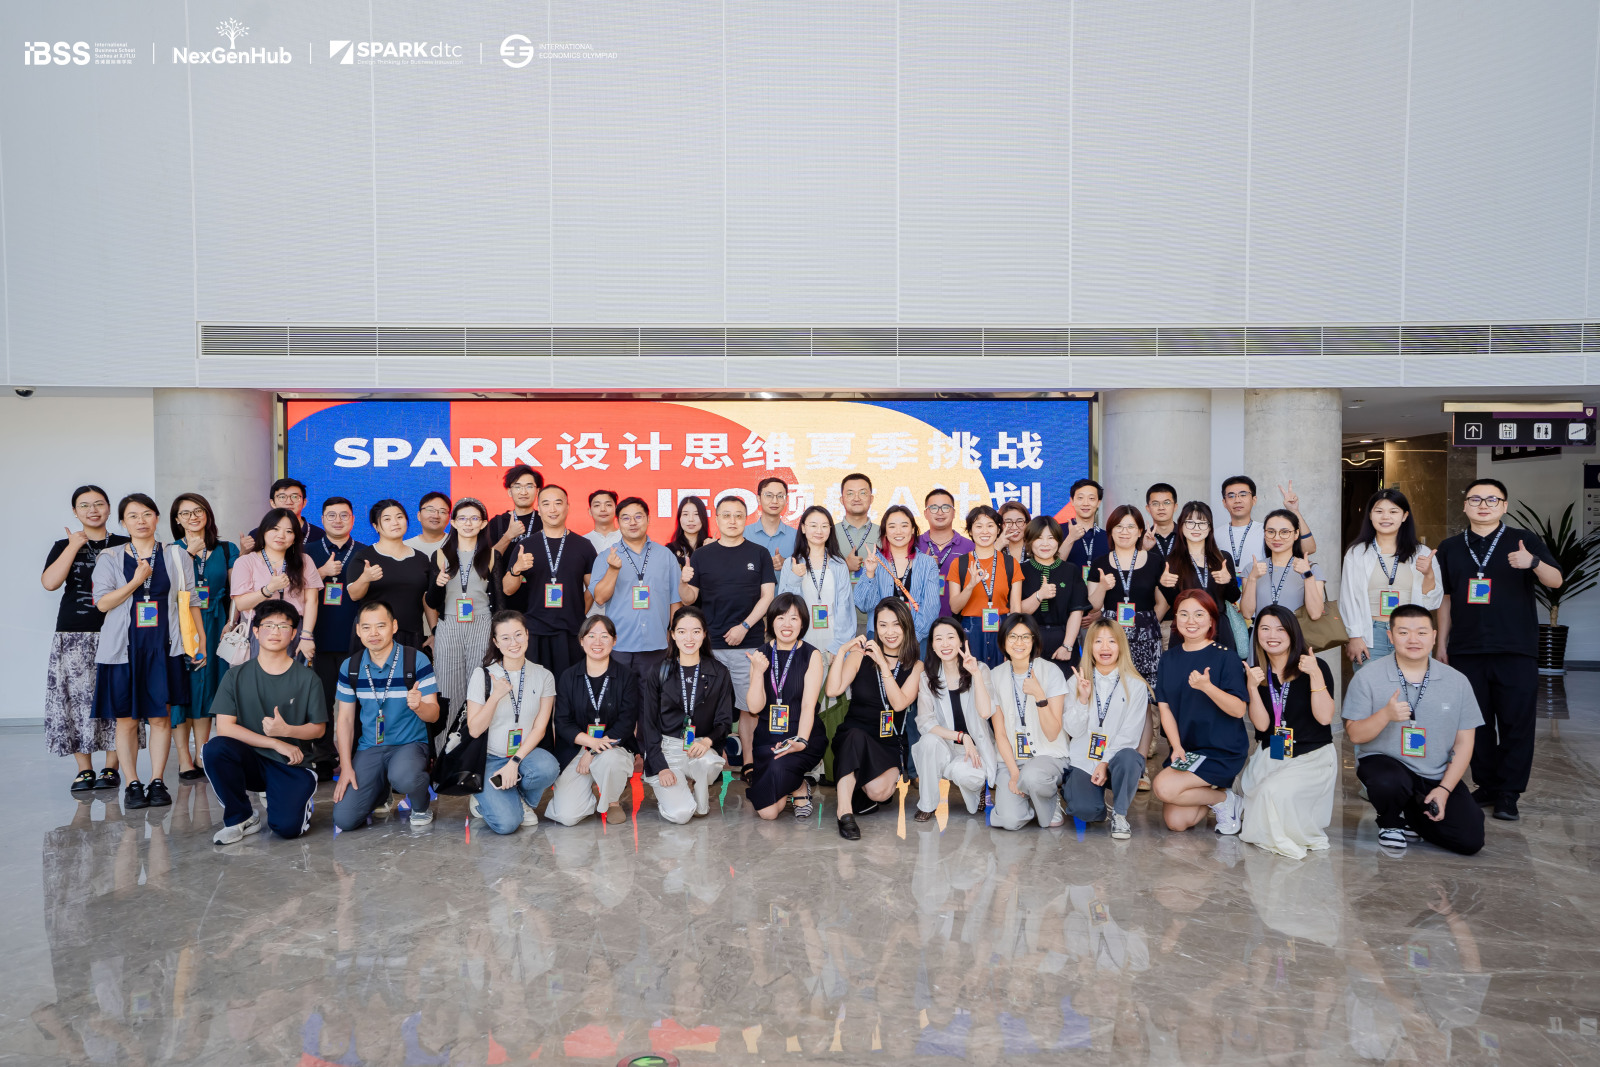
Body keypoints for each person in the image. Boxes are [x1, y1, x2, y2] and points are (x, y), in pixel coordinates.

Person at [1433, 479, 1562, 822]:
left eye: (1492, 499)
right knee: (1475, 723)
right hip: (1466, 649)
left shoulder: (1524, 540)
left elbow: (1556, 581)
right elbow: (1445, 599)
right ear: (1465, 505)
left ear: (1504, 506)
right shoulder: (1450, 547)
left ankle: (1509, 793)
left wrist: (1533, 562)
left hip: (1515, 648)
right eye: (1475, 499)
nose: (1483, 505)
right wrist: (1441, 644)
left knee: (1516, 722)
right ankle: (1487, 785)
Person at [91, 493, 205, 811]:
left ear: (156, 518)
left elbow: (191, 600)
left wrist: (200, 642)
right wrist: (136, 581)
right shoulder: (110, 558)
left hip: (163, 647)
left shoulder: (176, 555)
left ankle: (156, 781)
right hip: (122, 649)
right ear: (123, 522)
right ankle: (132, 783)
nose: (141, 521)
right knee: (126, 721)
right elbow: (103, 603)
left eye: (147, 514)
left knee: (160, 717)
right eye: (133, 516)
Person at [1345, 605, 1485, 854]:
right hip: (1387, 766)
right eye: (1403, 633)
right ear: (1390, 636)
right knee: (1387, 782)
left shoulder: (1457, 681)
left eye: (1421, 633)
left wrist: (1444, 790)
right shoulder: (1368, 676)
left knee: (1470, 839)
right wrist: (1385, 715)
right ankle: (1390, 822)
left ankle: (1412, 816)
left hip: (1434, 773)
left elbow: (1465, 742)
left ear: (1434, 636)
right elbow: (1355, 734)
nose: (1413, 640)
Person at [202, 599, 329, 843]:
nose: (275, 632)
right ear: (256, 631)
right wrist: (275, 742)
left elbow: (318, 729)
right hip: (252, 760)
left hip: (292, 763)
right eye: (268, 625)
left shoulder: (308, 678)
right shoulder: (236, 675)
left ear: (294, 633)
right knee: (215, 749)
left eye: (283, 626)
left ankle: (295, 798)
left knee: (287, 829)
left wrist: (287, 731)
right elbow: (225, 727)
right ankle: (241, 817)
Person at [42, 485, 128, 791]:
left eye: (99, 504)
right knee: (77, 702)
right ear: (75, 512)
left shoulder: (124, 544)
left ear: (109, 508)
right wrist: (73, 546)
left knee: (117, 699)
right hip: (73, 633)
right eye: (84, 505)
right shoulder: (64, 545)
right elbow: (50, 583)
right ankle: (85, 769)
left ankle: (111, 768)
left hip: (117, 631)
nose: (93, 510)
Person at [681, 495, 776, 769]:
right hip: (710, 646)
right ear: (717, 519)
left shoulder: (759, 553)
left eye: (738, 515)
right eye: (726, 515)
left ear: (746, 519)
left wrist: (744, 626)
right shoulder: (702, 555)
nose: (732, 521)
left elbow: (767, 596)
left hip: (749, 644)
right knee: (705, 706)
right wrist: (683, 581)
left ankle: (748, 761)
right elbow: (689, 599)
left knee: (749, 706)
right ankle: (710, 757)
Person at [332, 600, 441, 830]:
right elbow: (345, 720)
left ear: (394, 626)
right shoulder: (350, 667)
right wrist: (346, 766)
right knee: (345, 819)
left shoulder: (415, 660)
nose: (373, 633)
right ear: (358, 630)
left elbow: (433, 715)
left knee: (404, 777)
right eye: (366, 627)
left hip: (409, 744)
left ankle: (421, 806)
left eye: (380, 626)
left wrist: (419, 706)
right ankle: (380, 791)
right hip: (370, 747)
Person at [1239, 606, 1337, 859]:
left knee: (1271, 793)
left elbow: (1325, 717)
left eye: (1280, 629)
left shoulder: (1315, 666)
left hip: (1312, 756)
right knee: (1252, 791)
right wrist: (1252, 688)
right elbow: (1262, 726)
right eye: (1265, 628)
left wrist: (1315, 674)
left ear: (1293, 633)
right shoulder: (1257, 673)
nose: (1272, 635)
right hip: (1274, 752)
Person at [1151, 589, 1250, 834]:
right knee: (1177, 822)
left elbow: (1238, 710)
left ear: (1211, 620)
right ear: (1176, 619)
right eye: (1184, 614)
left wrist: (1208, 687)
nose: (1191, 621)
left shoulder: (1227, 658)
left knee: (1164, 788)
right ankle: (1222, 796)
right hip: (1188, 750)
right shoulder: (1168, 659)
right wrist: (1176, 747)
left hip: (1221, 750)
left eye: (1199, 614)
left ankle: (1223, 796)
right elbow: (1165, 708)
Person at [827, 598, 924, 840]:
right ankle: (844, 813)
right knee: (854, 736)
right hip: (855, 735)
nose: (889, 632)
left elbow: (899, 703)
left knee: (880, 794)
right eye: (883, 625)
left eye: (896, 624)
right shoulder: (860, 657)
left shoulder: (916, 666)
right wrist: (842, 652)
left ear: (906, 626)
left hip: (888, 741)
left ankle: (856, 789)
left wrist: (882, 663)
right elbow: (832, 690)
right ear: (875, 628)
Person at [464, 611, 561, 835]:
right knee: (507, 825)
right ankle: (481, 798)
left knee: (548, 767)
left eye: (518, 634)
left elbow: (540, 728)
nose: (513, 643)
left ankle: (519, 799)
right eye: (505, 638)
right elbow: (475, 730)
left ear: (527, 634)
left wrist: (515, 761)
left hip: (524, 755)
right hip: (489, 758)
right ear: (496, 642)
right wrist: (496, 696)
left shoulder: (544, 676)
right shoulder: (482, 675)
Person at [167, 492, 239, 780]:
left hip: (216, 623)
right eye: (185, 513)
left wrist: (231, 621)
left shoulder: (226, 548)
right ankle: (184, 758)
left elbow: (236, 590)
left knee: (208, 688)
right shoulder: (170, 550)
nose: (193, 517)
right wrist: (188, 554)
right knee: (183, 690)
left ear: (208, 514)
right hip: (182, 625)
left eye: (198, 510)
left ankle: (201, 752)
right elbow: (168, 588)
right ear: (177, 520)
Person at [639, 606, 734, 823]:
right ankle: (675, 787)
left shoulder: (719, 672)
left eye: (696, 631)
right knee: (681, 815)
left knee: (709, 764)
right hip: (666, 749)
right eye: (682, 632)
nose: (689, 638)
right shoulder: (659, 671)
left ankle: (695, 790)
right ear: (672, 635)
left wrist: (708, 741)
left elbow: (724, 721)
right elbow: (649, 724)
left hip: (700, 748)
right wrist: (661, 767)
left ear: (704, 634)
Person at [547, 616, 640, 826]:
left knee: (611, 761)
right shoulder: (568, 677)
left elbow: (626, 722)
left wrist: (593, 751)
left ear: (614, 640)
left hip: (614, 746)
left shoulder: (626, 676)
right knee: (568, 817)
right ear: (581, 640)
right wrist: (590, 744)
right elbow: (562, 722)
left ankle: (612, 801)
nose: (597, 642)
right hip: (576, 747)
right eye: (591, 636)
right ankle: (588, 793)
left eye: (604, 636)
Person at [499, 484, 598, 681]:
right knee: (537, 690)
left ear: (568, 507)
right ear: (539, 509)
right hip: (535, 632)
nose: (552, 509)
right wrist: (516, 569)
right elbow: (508, 589)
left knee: (568, 690)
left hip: (571, 632)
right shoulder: (526, 545)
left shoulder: (584, 546)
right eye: (546, 504)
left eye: (558, 503)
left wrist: (578, 611)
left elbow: (594, 588)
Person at [1062, 619, 1149, 839]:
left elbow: (1130, 734)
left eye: (1111, 641)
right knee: (1086, 811)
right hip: (1083, 759)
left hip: (1117, 761)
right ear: (1090, 646)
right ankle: (1086, 797)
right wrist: (1082, 700)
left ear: (1121, 646)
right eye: (1098, 641)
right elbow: (1072, 730)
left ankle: (1120, 814)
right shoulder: (1075, 681)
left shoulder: (1136, 685)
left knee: (1130, 758)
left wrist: (1104, 762)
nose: (1105, 647)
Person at [744, 594, 827, 820]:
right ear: (771, 621)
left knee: (779, 772)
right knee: (769, 813)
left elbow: (809, 706)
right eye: (780, 618)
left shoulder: (811, 655)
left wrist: (801, 741)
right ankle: (796, 785)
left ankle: (797, 785)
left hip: (802, 733)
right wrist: (758, 672)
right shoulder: (760, 655)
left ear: (803, 623)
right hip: (768, 738)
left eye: (794, 618)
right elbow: (754, 707)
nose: (787, 624)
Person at [986, 614, 1071, 830]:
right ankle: (1031, 799)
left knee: (1033, 776)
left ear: (1034, 641)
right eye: (1013, 636)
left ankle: (1048, 798)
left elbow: (1052, 733)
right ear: (1004, 641)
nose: (1019, 642)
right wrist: (1015, 774)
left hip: (1047, 756)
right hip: (1012, 760)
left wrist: (1040, 696)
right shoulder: (995, 676)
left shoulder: (1051, 671)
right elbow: (1000, 734)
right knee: (1010, 821)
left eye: (1025, 637)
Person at [1341, 488, 1442, 669]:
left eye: (1393, 511)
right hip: (1371, 634)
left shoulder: (1422, 553)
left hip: (1411, 633)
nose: (1385, 517)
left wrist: (1428, 574)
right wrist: (1354, 636)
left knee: (1413, 684)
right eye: (1379, 511)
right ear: (1370, 515)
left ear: (1404, 516)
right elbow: (1347, 598)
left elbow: (1432, 602)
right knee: (1371, 685)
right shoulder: (1357, 553)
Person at [911, 617, 996, 822]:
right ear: (932, 645)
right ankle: (927, 804)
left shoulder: (981, 669)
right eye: (938, 639)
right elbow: (925, 722)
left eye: (950, 637)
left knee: (968, 776)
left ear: (961, 641)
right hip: (946, 745)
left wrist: (975, 674)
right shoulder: (927, 677)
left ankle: (976, 786)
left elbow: (986, 712)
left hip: (975, 749)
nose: (945, 644)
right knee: (927, 742)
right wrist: (961, 737)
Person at [423, 499, 500, 717]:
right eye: (462, 518)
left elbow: (500, 601)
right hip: (449, 624)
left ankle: (477, 736)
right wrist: (438, 585)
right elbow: (432, 601)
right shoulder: (440, 555)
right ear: (454, 522)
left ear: (483, 523)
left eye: (474, 518)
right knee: (448, 686)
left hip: (482, 624)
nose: (468, 523)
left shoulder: (492, 555)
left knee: (480, 685)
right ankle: (447, 738)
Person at [589, 496, 682, 678]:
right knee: (620, 695)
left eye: (638, 517)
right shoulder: (606, 557)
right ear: (618, 522)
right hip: (618, 645)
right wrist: (613, 570)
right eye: (626, 518)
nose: (632, 522)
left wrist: (675, 637)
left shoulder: (665, 555)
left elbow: (675, 601)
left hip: (657, 645)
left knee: (654, 696)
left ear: (648, 519)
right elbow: (599, 598)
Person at [346, 499, 437, 655]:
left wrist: (434, 631)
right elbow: (354, 595)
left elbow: (426, 598)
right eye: (387, 519)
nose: (395, 522)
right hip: (374, 637)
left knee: (409, 671)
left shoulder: (421, 558)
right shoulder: (364, 557)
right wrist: (365, 578)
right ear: (376, 526)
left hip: (411, 634)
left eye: (399, 517)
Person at [230, 507, 322, 660]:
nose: (281, 535)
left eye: (289, 531)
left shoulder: (305, 561)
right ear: (264, 531)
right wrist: (269, 589)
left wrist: (306, 636)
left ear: (295, 537)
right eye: (275, 529)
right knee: (259, 674)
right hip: (259, 629)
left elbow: (312, 601)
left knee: (294, 674)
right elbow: (240, 604)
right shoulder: (245, 562)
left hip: (293, 629)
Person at [1086, 505, 1164, 682]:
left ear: (1140, 531)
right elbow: (1093, 607)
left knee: (1146, 689)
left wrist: (1147, 624)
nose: (1124, 532)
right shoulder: (1100, 563)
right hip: (1110, 637)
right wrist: (1102, 587)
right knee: (1112, 684)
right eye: (1119, 526)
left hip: (1147, 637)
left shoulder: (1154, 561)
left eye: (1130, 527)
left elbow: (1163, 602)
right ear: (1111, 531)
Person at [305, 497, 366, 720]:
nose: (338, 520)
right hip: (317, 640)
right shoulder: (306, 552)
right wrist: (321, 572)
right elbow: (293, 590)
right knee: (321, 704)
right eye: (331, 515)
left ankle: (356, 743)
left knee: (358, 704)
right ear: (322, 519)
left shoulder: (365, 552)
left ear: (353, 519)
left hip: (355, 641)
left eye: (344, 515)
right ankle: (323, 745)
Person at [776, 504, 857, 660]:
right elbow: (784, 606)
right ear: (803, 528)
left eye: (824, 526)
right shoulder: (791, 563)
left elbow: (845, 608)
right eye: (813, 525)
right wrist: (795, 578)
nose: (819, 531)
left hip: (834, 642)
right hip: (801, 642)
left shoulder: (839, 564)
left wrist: (839, 647)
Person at [1158, 501, 1240, 653]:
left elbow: (1233, 596)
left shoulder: (1222, 558)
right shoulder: (1172, 561)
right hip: (1186, 628)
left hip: (1218, 629)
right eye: (1190, 522)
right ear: (1181, 526)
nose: (1196, 528)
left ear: (1209, 528)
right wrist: (1165, 585)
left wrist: (1228, 581)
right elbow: (1173, 602)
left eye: (1202, 523)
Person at [852, 504, 941, 645]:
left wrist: (913, 637)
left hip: (916, 638)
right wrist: (870, 573)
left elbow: (931, 607)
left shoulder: (928, 563)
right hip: (880, 636)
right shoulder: (875, 561)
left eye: (904, 526)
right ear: (885, 532)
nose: (898, 531)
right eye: (892, 526)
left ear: (913, 529)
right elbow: (864, 605)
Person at [945, 505, 1021, 666]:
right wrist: (970, 586)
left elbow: (1015, 608)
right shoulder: (959, 563)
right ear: (970, 531)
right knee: (972, 677)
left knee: (1000, 677)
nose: (984, 531)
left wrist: (1014, 641)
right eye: (978, 526)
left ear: (998, 530)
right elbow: (955, 608)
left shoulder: (1010, 563)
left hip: (1002, 629)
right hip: (970, 630)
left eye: (990, 525)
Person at [1017, 516, 1088, 662]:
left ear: (1058, 541)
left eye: (1051, 538)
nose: (1045, 544)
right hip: (1027, 642)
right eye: (1039, 538)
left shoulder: (1070, 570)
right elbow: (1016, 611)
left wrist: (1067, 646)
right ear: (1029, 541)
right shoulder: (1020, 570)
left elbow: (1077, 612)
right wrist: (1039, 595)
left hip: (1063, 642)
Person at [1219, 475, 1317, 579]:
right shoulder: (1214, 534)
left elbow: (1309, 548)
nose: (1237, 500)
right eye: (1231, 496)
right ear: (1224, 502)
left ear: (1254, 500)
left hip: (1263, 587)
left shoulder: (1269, 531)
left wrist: (1294, 510)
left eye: (1243, 495)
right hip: (1226, 588)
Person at [1240, 508, 1325, 625]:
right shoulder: (1253, 568)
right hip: (1263, 634)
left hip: (1296, 635)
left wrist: (1307, 576)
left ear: (1296, 534)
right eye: (1271, 532)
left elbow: (1315, 614)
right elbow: (1247, 613)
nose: (1276, 538)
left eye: (1284, 532)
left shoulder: (1311, 568)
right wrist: (1252, 579)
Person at [919, 488, 975, 617]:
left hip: (959, 621)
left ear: (954, 512)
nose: (940, 512)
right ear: (926, 513)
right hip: (920, 620)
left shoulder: (970, 547)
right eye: (934, 508)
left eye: (945, 507)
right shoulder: (914, 545)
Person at [835, 472, 880, 630]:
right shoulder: (828, 533)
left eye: (862, 493)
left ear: (871, 499)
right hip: (837, 620)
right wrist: (844, 566)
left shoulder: (884, 533)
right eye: (850, 493)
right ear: (841, 500)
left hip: (875, 621)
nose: (856, 498)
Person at [238, 478, 324, 551]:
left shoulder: (319, 535)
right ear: (272, 503)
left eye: (295, 497)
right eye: (282, 497)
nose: (289, 502)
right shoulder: (257, 534)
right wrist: (243, 553)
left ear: (304, 502)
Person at [486, 464, 545, 552]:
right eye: (517, 487)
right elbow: (488, 558)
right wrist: (508, 536)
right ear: (510, 492)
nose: (523, 492)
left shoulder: (545, 520)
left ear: (538, 491)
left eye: (529, 486)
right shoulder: (497, 523)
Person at [745, 477, 798, 573]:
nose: (774, 501)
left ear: (786, 500)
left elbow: (806, 570)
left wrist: (787, 564)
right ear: (759, 499)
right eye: (769, 495)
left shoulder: (796, 537)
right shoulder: (743, 534)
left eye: (780, 496)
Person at [1059, 479, 1107, 580]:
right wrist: (1070, 538)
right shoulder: (1057, 531)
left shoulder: (1107, 537)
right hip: (1066, 589)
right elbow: (1051, 567)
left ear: (1098, 503)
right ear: (1072, 501)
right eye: (1080, 498)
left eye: (1091, 498)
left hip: (1099, 589)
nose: (1086, 503)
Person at [666, 494, 711, 567]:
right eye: (685, 514)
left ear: (703, 517)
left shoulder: (713, 545)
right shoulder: (669, 550)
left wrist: (716, 549)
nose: (691, 519)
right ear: (679, 518)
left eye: (696, 514)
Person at [1142, 483, 1180, 559]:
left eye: (1167, 503)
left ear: (1175, 507)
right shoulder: (1141, 539)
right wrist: (1143, 549)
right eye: (1155, 503)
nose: (1161, 507)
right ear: (1148, 508)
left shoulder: (1185, 535)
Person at [998, 501, 1031, 568]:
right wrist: (997, 547)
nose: (1014, 527)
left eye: (1019, 521)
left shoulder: (1035, 548)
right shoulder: (995, 549)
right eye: (1008, 522)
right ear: (1000, 525)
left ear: (1027, 523)